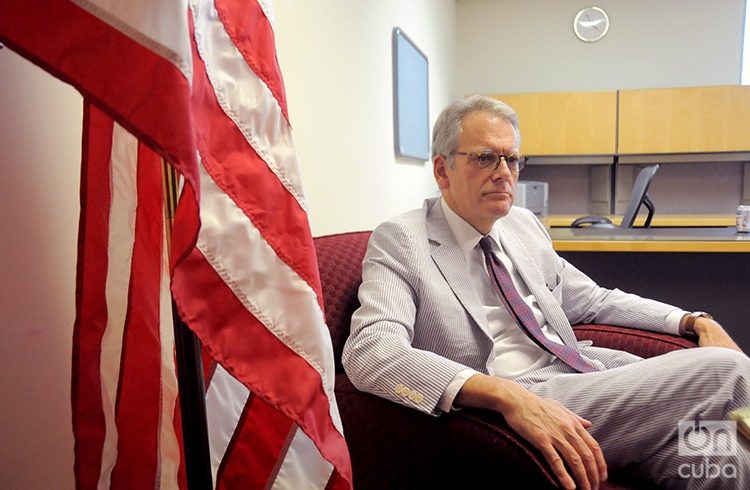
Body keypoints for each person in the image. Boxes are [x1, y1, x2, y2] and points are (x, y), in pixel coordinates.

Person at [342, 95, 750, 490]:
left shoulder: (522, 225)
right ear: (442, 170)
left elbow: (594, 299)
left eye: (512, 159)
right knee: (725, 369)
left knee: (723, 457)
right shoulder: (401, 239)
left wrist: (692, 321)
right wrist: (501, 394)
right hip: (517, 399)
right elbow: (370, 351)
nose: (505, 172)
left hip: (584, 375)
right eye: (486, 157)